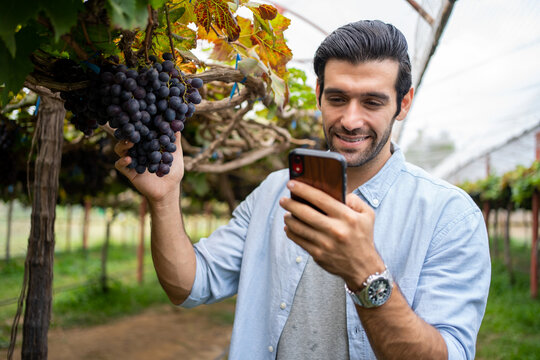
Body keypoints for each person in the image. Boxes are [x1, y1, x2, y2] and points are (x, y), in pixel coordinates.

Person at [115, 20, 491, 360]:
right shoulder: (273, 191)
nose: (350, 119)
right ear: (318, 94)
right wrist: (165, 199)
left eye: (373, 102)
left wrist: (365, 272)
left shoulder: (449, 216)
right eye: (338, 98)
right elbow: (190, 285)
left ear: (403, 104)